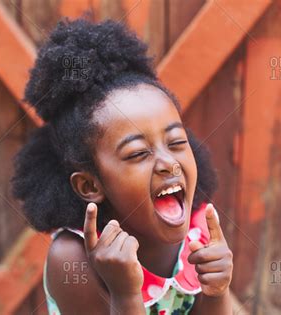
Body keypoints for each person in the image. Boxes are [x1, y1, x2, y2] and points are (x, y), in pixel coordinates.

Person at [12, 18, 233, 314]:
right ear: (91, 185)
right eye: (138, 153)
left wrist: (217, 291)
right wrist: (125, 293)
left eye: (176, 142)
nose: (168, 163)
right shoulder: (74, 259)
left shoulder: (200, 228)